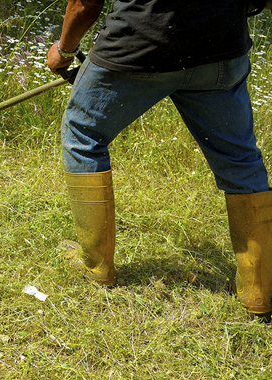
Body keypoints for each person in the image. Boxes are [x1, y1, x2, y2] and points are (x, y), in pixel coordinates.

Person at [47, 0, 272, 321]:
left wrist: (65, 50)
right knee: (242, 162)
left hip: (140, 46)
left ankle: (95, 266)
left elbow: (86, 4)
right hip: (222, 48)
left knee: (82, 134)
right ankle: (258, 292)